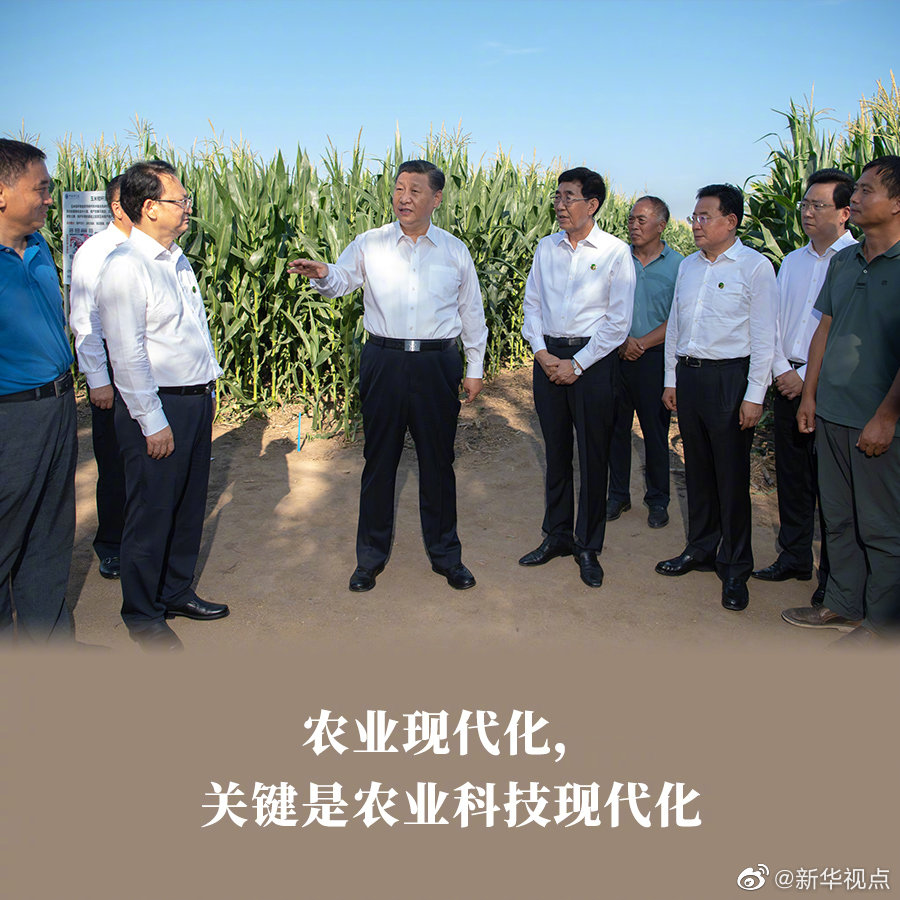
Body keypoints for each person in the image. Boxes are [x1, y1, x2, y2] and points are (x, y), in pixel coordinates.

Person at [288, 160, 487, 593]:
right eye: (399, 189)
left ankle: (446, 556)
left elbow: (472, 311)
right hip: (384, 361)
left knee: (438, 463)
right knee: (379, 462)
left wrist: (474, 368)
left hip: (437, 364)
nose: (403, 198)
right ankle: (369, 559)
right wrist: (324, 274)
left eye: (415, 190)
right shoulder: (371, 243)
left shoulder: (454, 250)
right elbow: (342, 279)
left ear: (436, 198)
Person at [97, 160, 227, 651]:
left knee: (187, 505)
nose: (188, 207)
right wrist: (152, 421)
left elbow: (188, 331)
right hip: (156, 406)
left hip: (194, 400)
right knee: (150, 512)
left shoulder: (177, 260)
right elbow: (127, 354)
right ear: (150, 208)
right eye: (181, 200)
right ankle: (143, 613)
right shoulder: (126, 267)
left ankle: (175, 591)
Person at [783, 156, 900, 640]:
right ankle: (843, 604)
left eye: (868, 190)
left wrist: (887, 416)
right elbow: (824, 330)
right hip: (831, 412)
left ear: (897, 203)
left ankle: (883, 625)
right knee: (838, 517)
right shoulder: (844, 261)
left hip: (879, 419)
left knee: (882, 527)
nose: (857, 196)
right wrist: (809, 395)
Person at [656, 184, 777, 611]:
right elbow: (676, 326)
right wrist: (671, 379)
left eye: (705, 217)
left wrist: (754, 395)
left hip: (730, 379)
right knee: (698, 471)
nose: (696, 224)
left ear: (731, 221)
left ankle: (736, 566)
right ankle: (701, 548)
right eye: (694, 217)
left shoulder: (755, 267)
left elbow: (764, 337)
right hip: (690, 377)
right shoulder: (688, 266)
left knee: (730, 477)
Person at [519, 167, 635, 588]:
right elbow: (532, 305)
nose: (560, 204)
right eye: (558, 196)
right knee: (555, 452)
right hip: (549, 357)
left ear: (593, 204)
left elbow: (618, 322)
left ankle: (588, 545)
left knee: (592, 454)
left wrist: (579, 364)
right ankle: (557, 535)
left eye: (569, 196)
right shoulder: (546, 248)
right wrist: (541, 352)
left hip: (594, 361)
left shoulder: (615, 252)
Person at [752, 169, 856, 604]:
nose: (807, 212)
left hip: (828, 387)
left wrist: (806, 376)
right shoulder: (793, 261)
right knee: (792, 478)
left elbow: (848, 333)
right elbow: (772, 320)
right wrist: (781, 369)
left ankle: (832, 577)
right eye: (805, 204)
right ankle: (793, 557)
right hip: (786, 379)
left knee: (832, 488)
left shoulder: (856, 260)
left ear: (845, 213)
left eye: (818, 205)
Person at [0, 139, 76, 643]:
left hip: (58, 405)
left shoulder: (40, 246)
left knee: (49, 536)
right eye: (40, 188)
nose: (50, 198)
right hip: (11, 419)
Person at [69, 175, 132, 581]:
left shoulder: (154, 248)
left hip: (144, 362)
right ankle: (111, 545)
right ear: (117, 207)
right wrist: (98, 379)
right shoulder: (95, 251)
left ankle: (140, 542)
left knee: (143, 457)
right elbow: (85, 319)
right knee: (114, 459)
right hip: (110, 361)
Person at [607, 196, 682, 529]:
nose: (633, 226)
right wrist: (622, 342)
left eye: (642, 220)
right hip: (617, 354)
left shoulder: (679, 265)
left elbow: (679, 318)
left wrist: (641, 343)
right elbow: (602, 306)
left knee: (654, 432)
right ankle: (617, 495)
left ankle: (657, 500)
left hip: (654, 358)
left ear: (661, 226)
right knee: (615, 429)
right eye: (631, 219)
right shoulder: (617, 259)